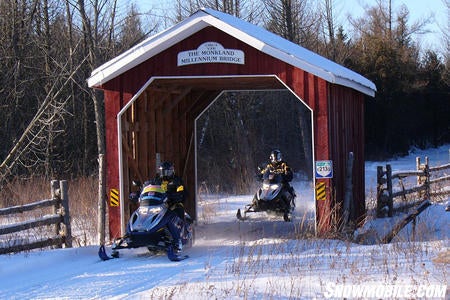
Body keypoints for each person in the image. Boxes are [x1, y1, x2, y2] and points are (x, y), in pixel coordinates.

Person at [151, 161, 186, 252]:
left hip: (173, 203)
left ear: (172, 171)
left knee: (178, 211)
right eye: (163, 172)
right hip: (159, 204)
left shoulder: (176, 180)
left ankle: (179, 236)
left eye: (167, 172)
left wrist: (177, 196)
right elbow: (150, 187)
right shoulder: (156, 180)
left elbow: (181, 191)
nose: (165, 174)